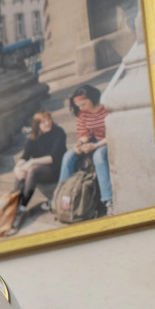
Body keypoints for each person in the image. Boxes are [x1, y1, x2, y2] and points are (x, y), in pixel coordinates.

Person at [58, 84, 113, 217]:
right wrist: (80, 144)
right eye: (79, 106)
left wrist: (96, 146)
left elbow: (113, 133)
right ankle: (62, 195)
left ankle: (108, 200)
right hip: (93, 141)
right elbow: (83, 134)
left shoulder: (107, 109)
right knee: (68, 156)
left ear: (92, 98)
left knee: (98, 157)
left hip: (107, 140)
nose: (81, 108)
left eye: (84, 104)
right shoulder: (83, 114)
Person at [9, 111, 67, 233]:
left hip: (55, 169)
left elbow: (52, 157)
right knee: (22, 171)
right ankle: (14, 208)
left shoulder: (58, 132)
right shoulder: (33, 138)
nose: (47, 123)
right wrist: (16, 169)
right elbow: (25, 156)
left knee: (32, 169)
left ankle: (21, 209)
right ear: (37, 125)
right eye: (43, 122)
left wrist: (32, 162)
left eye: (49, 120)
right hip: (40, 169)